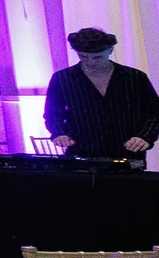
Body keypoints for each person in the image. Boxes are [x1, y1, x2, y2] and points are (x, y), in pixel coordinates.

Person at [44, 26, 159, 162]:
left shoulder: (135, 77)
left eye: (97, 57)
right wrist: (59, 133)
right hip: (81, 152)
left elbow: (155, 112)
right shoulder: (62, 79)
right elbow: (52, 114)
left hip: (128, 153)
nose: (90, 63)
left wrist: (145, 136)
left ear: (110, 50)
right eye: (83, 57)